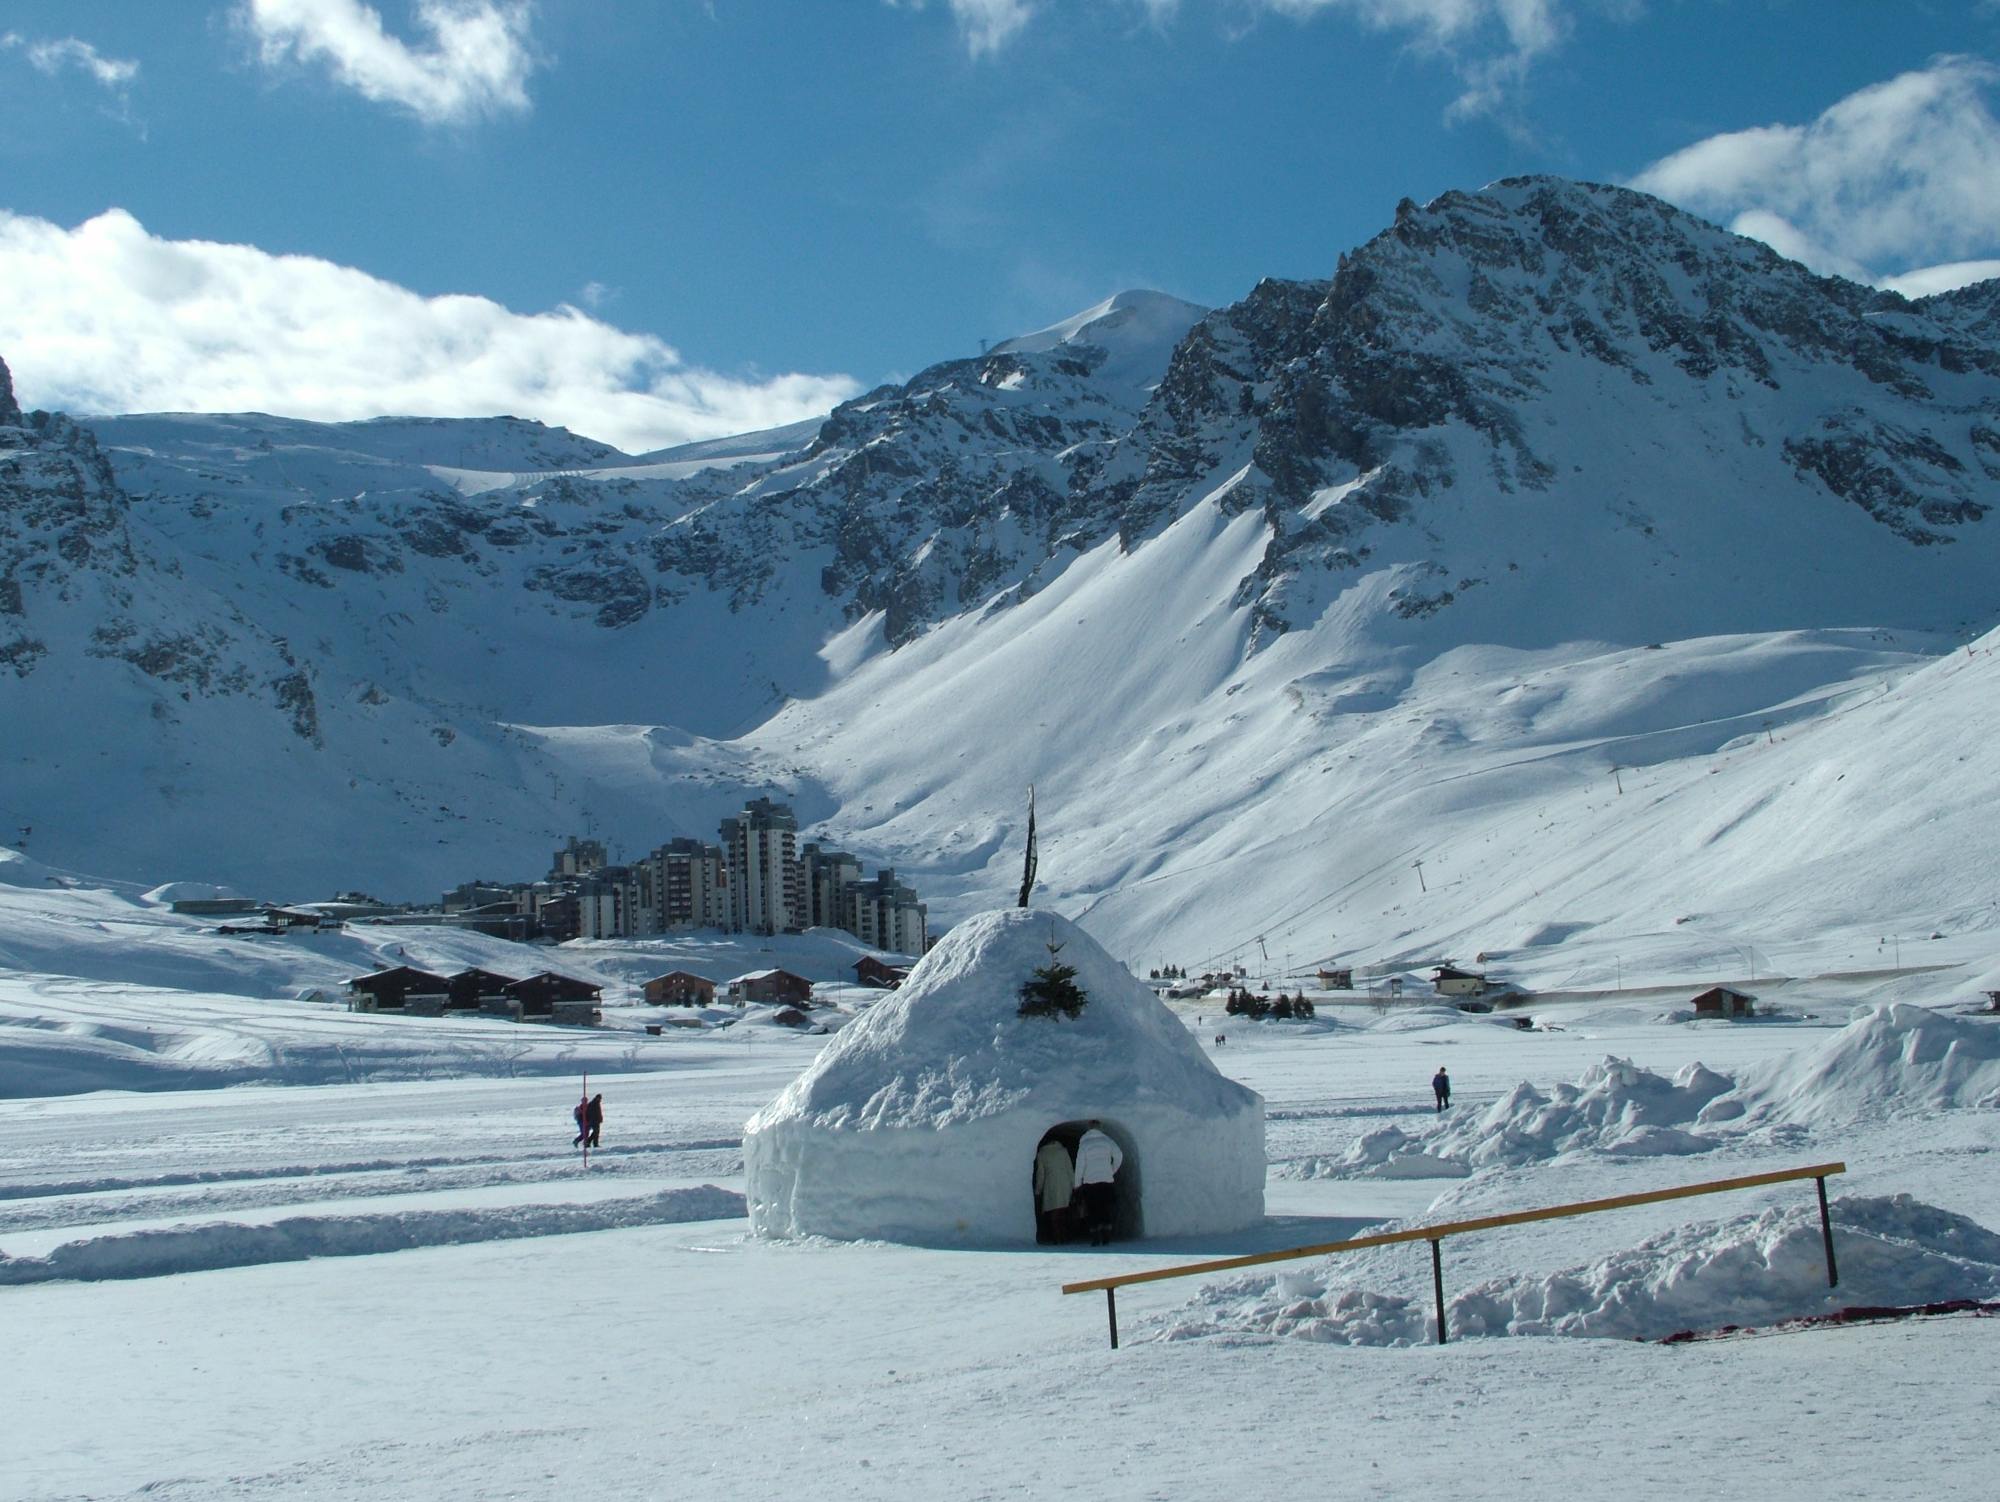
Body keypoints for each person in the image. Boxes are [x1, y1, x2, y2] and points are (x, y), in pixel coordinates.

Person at [1073, 1121, 1124, 1245]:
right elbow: (1119, 1155)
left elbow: (1080, 1165)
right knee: (1105, 1207)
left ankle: (1095, 1236)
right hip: (1106, 1180)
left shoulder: (1084, 1144)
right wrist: (1112, 1170)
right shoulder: (1107, 1141)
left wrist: (1077, 1183)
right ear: (1100, 1128)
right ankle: (1106, 1235)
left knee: (1092, 1209)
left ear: (1088, 1129)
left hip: (1090, 1181)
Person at [1033, 1137, 1076, 1245]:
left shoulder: (1042, 1153)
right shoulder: (1063, 1151)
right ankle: (1065, 1235)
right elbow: (1070, 1169)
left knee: (1054, 1212)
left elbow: (1041, 1174)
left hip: (1051, 1186)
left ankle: (1057, 1236)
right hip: (1065, 1184)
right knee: (1064, 1210)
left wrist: (1038, 1190)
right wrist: (1075, 1185)